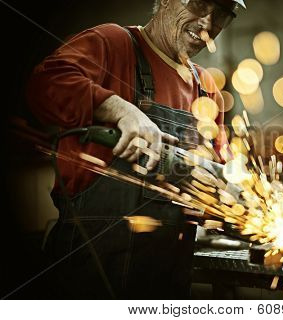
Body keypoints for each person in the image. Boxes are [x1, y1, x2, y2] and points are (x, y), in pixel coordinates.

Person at [26, 0, 246, 299]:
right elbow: (43, 85)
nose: (208, 23)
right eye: (198, 3)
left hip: (166, 283)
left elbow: (222, 179)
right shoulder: (114, 44)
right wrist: (118, 109)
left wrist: (246, 202)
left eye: (222, 13)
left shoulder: (205, 87)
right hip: (89, 279)